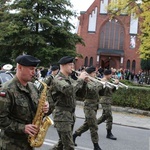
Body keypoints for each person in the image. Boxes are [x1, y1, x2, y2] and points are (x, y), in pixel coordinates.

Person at [0, 55, 49, 150]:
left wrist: (45, 107)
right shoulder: (7, 90)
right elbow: (1, 120)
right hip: (11, 145)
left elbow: (37, 111)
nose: (34, 72)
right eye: (31, 69)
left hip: (28, 143)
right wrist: (22, 128)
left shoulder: (33, 87)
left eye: (34, 69)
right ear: (19, 67)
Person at [51, 56, 88, 150]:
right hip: (62, 116)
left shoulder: (70, 80)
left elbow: (81, 95)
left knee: (61, 144)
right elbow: (69, 91)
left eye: (73, 64)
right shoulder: (58, 79)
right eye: (70, 65)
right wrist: (80, 79)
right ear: (63, 65)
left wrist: (84, 83)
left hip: (70, 115)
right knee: (69, 146)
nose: (72, 67)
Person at [73, 66, 104, 150]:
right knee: (93, 126)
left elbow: (101, 92)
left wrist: (105, 84)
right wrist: (101, 83)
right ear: (90, 73)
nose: (96, 74)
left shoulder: (94, 81)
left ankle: (74, 135)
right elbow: (92, 89)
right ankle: (96, 146)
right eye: (94, 72)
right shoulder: (86, 82)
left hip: (94, 106)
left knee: (87, 124)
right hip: (89, 106)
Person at [97, 69, 117, 140]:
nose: (111, 76)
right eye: (110, 74)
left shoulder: (108, 81)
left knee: (104, 116)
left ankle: (92, 124)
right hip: (105, 101)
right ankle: (109, 133)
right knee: (109, 117)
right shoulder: (103, 81)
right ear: (107, 75)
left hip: (108, 101)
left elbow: (111, 91)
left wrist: (116, 85)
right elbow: (102, 91)